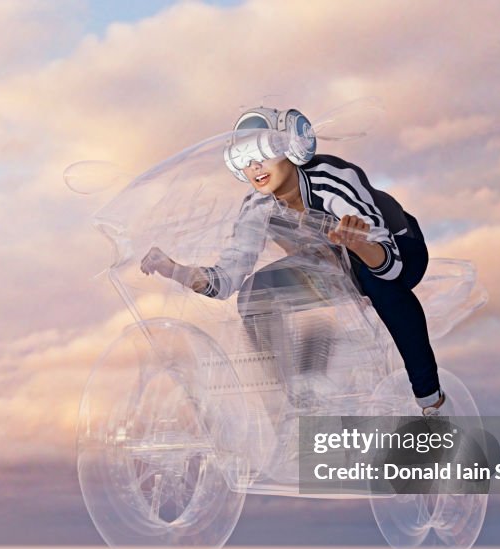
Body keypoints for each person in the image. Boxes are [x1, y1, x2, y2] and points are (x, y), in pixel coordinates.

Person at [140, 106, 447, 416]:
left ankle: (429, 398)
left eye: (264, 153)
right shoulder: (257, 206)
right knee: (254, 294)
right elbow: (226, 281)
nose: (256, 167)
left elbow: (390, 266)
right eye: (244, 162)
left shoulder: (332, 180)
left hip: (397, 252)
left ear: (293, 146)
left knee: (377, 283)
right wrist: (173, 269)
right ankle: (293, 404)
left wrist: (358, 243)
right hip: (331, 264)